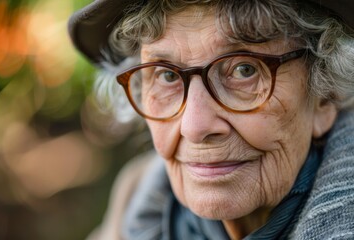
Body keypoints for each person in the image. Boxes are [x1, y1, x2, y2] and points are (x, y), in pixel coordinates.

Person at [68, 0, 354, 239]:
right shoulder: (136, 202)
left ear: (324, 95)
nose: (195, 126)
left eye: (244, 70)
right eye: (167, 75)